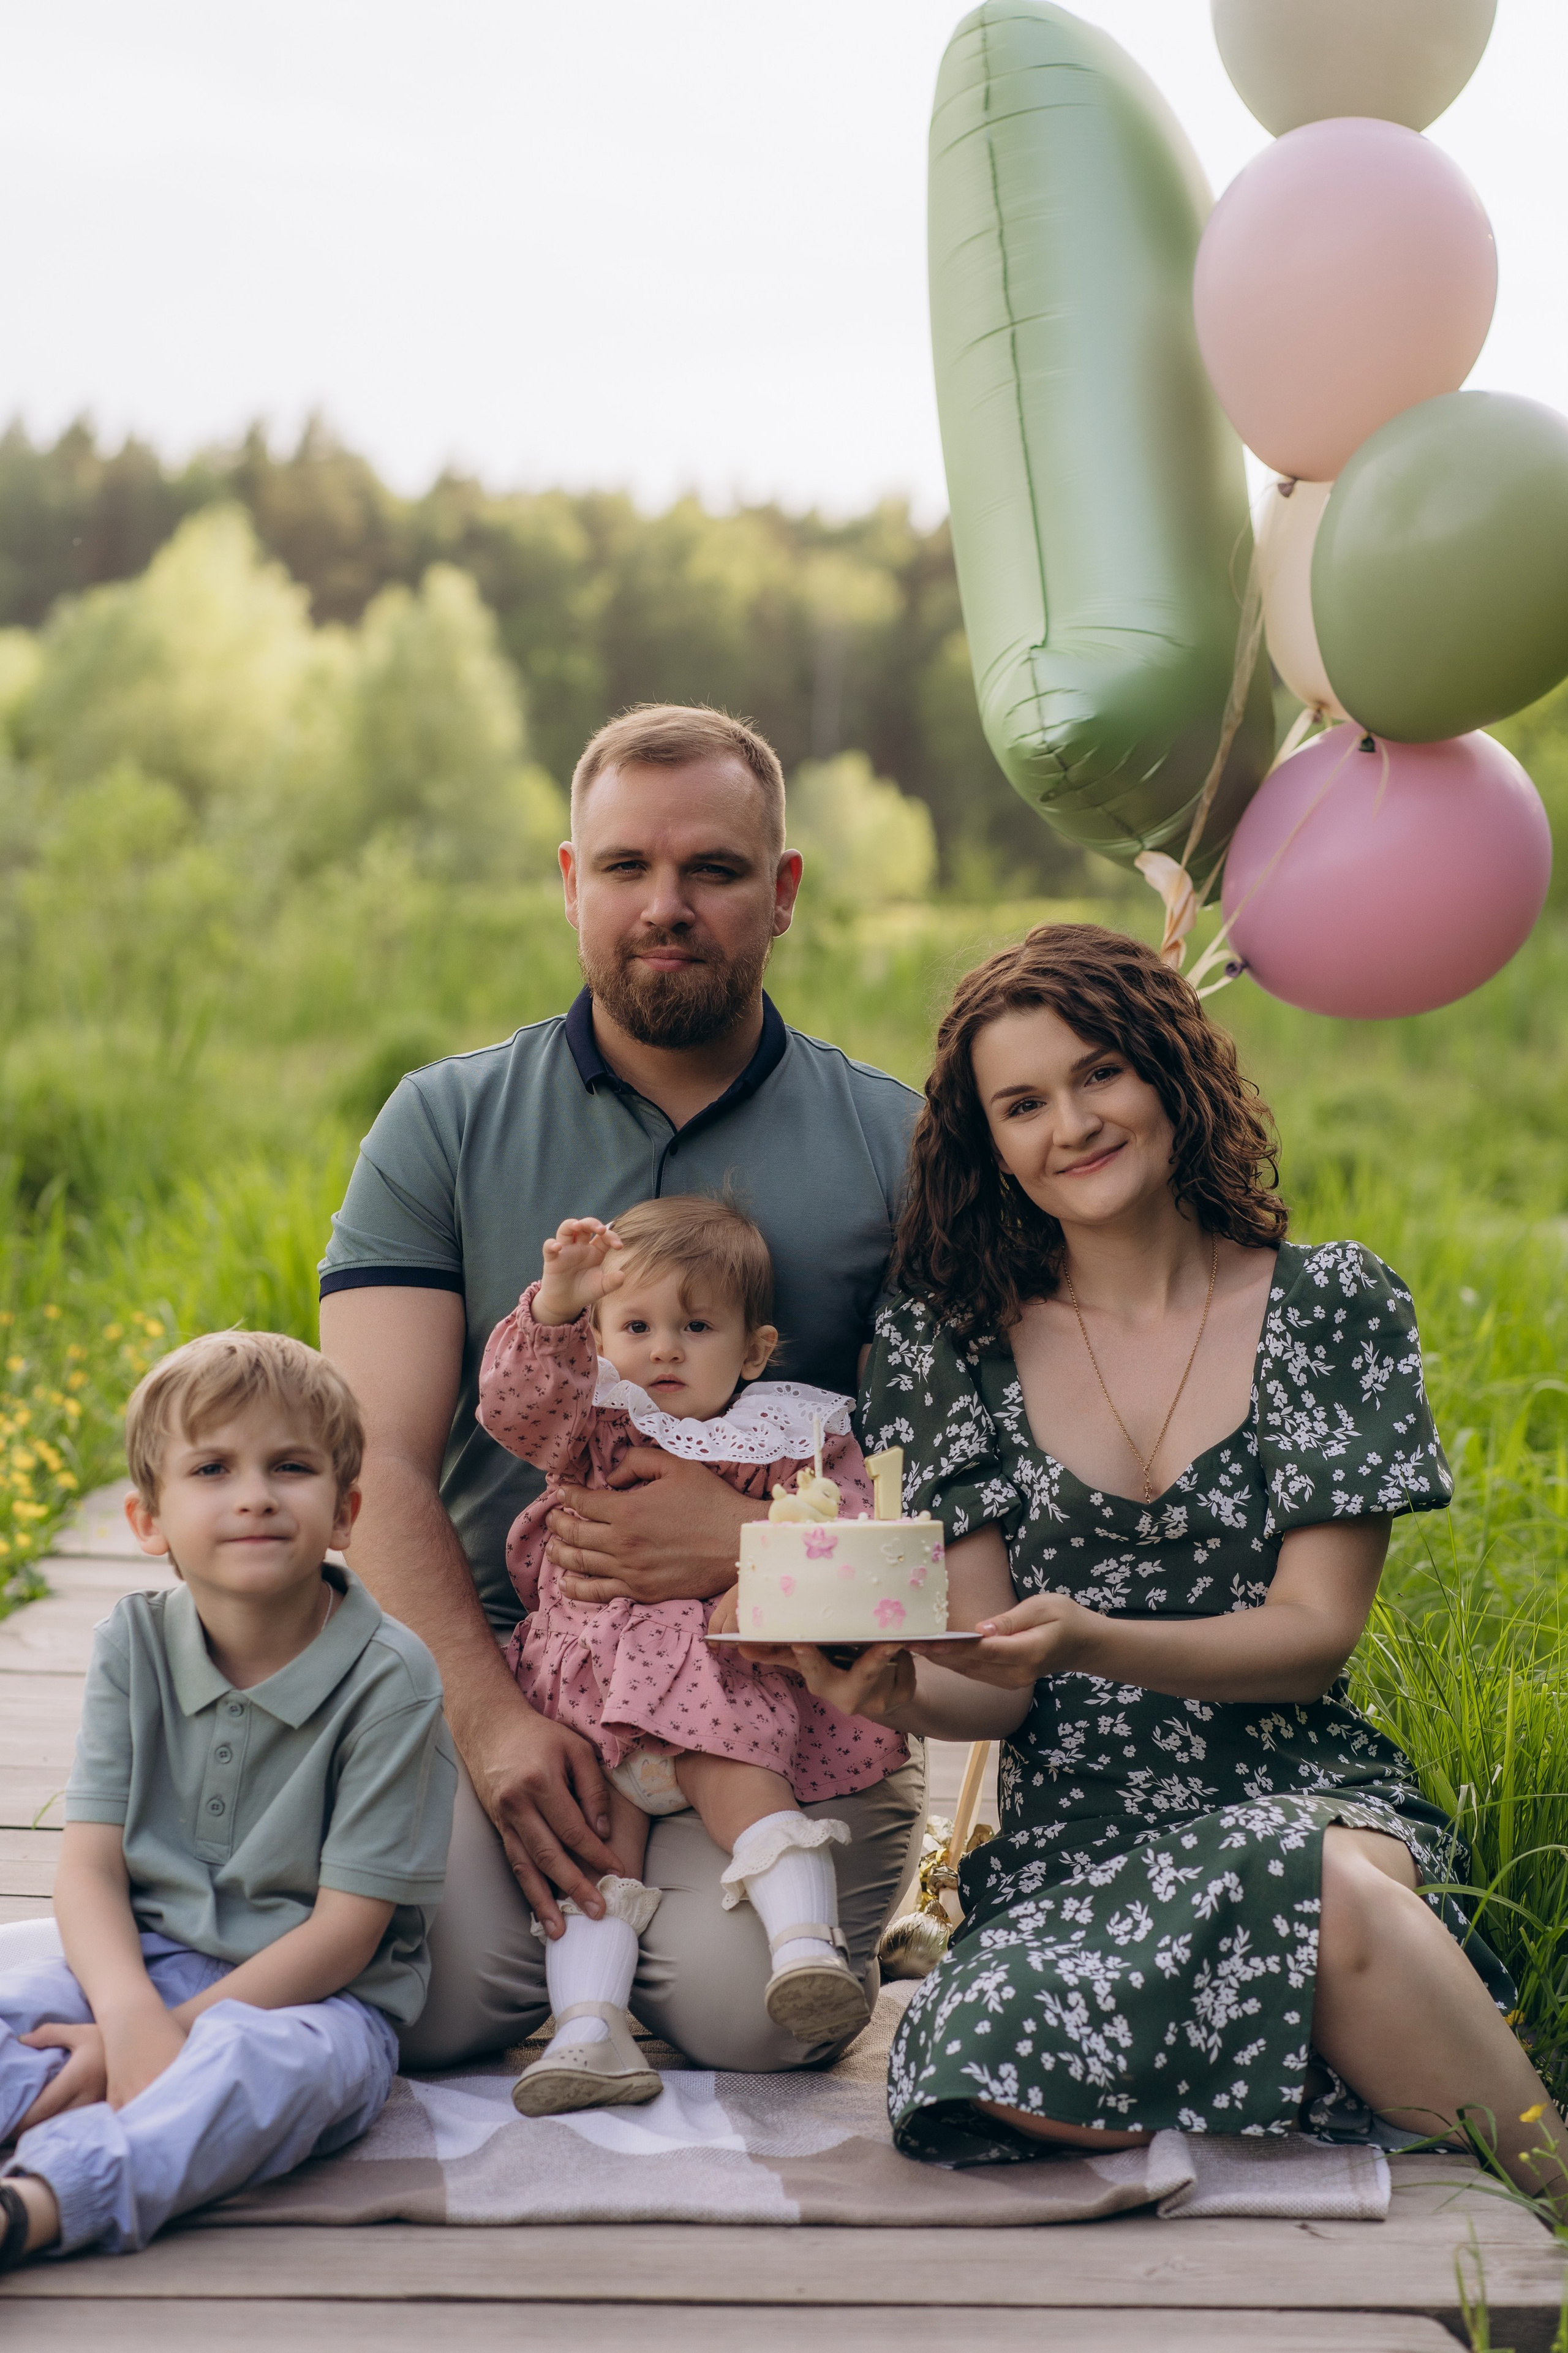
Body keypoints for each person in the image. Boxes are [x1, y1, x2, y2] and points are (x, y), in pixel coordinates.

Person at [775, 922, 1568, 2208]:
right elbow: (993, 1686)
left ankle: (1552, 2194)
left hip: (1307, 1789)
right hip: (1077, 1838)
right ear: (987, 1142)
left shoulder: (1328, 1306)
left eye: (1099, 1074)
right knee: (969, 2053)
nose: (1070, 1124)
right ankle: (1328, 2042)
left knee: (1313, 1877)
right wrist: (896, 1694)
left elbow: (1310, 1633)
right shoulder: (949, 1341)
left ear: (1169, 1072)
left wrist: (1090, 1633)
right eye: (1021, 1104)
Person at [318, 703, 923, 2072]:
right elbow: (376, 1470)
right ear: (568, 882)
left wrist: (757, 1548)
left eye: (712, 870)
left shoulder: (897, 1145)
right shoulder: (442, 1122)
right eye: (624, 868)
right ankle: (560, 1950)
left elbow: (963, 1510)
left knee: (735, 2021)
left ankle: (720, 1940)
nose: (666, 906)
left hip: (784, 1688)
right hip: (510, 1662)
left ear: (781, 897)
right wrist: (488, 1723)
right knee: (439, 1998)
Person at [0, 1332, 456, 2269]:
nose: (254, 1493)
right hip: (143, 1957)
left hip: (316, 2001)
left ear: (346, 1509)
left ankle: (44, 2200)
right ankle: (77, 2085)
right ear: (147, 1517)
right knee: (16, 1995)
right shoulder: (132, 1640)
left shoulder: (392, 1677)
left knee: (260, 2077)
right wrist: (129, 2016)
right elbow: (87, 1868)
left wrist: (159, 2036)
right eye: (212, 1467)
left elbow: (345, 1933)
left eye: (290, 1466)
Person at [485, 1195, 907, 2115]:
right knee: (598, 1864)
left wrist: (762, 1537)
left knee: (747, 1791)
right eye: (635, 1325)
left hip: (721, 1693)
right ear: (601, 1338)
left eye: (696, 1325)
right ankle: (589, 2033)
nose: (664, 1349)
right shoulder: (594, 1420)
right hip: (592, 1704)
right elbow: (517, 1407)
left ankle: (804, 1947)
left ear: (753, 1352)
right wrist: (556, 1305)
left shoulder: (788, 1435)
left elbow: (857, 1536)